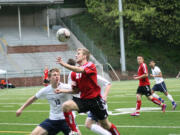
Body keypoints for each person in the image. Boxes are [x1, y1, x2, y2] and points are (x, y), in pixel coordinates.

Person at [55, 48, 120, 135]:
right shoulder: (74, 73)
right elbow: (76, 91)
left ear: (84, 56)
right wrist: (62, 90)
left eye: (78, 53)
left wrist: (63, 64)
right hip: (83, 100)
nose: (76, 55)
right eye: (76, 54)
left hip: (95, 101)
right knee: (66, 106)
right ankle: (73, 131)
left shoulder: (90, 65)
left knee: (105, 125)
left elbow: (80, 70)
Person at [16, 68, 72, 135]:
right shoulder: (46, 90)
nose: (57, 76)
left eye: (58, 75)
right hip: (53, 119)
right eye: (54, 75)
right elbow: (33, 98)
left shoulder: (67, 87)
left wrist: (64, 91)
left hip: (67, 120)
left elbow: (78, 91)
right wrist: (21, 109)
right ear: (49, 78)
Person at [67, 58, 111, 135]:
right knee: (90, 124)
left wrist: (105, 96)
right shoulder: (77, 75)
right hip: (90, 102)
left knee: (103, 125)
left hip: (98, 102)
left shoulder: (92, 75)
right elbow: (77, 89)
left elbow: (108, 83)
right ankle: (74, 129)